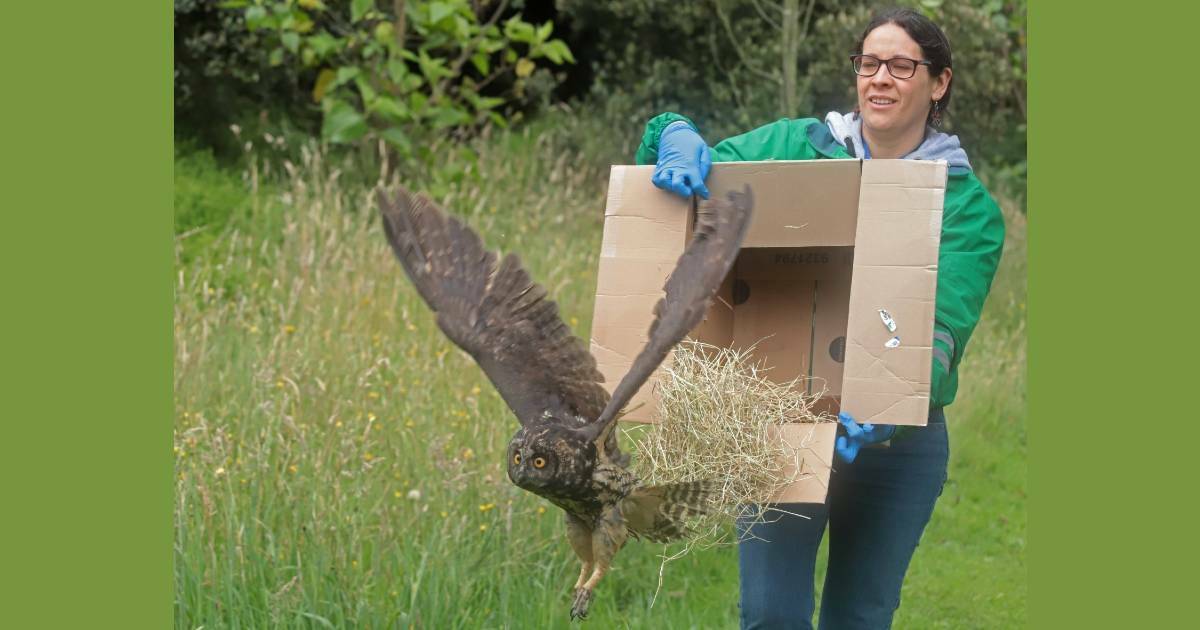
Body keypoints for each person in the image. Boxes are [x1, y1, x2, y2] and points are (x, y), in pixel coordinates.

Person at [634, 7, 1006, 629]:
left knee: (859, 616)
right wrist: (671, 134)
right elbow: (685, 166)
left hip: (893, 445)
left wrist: (885, 401)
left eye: (900, 65)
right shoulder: (794, 147)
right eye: (868, 63)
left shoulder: (966, 206)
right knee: (771, 616)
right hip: (782, 423)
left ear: (938, 83)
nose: (879, 77)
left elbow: (942, 328)